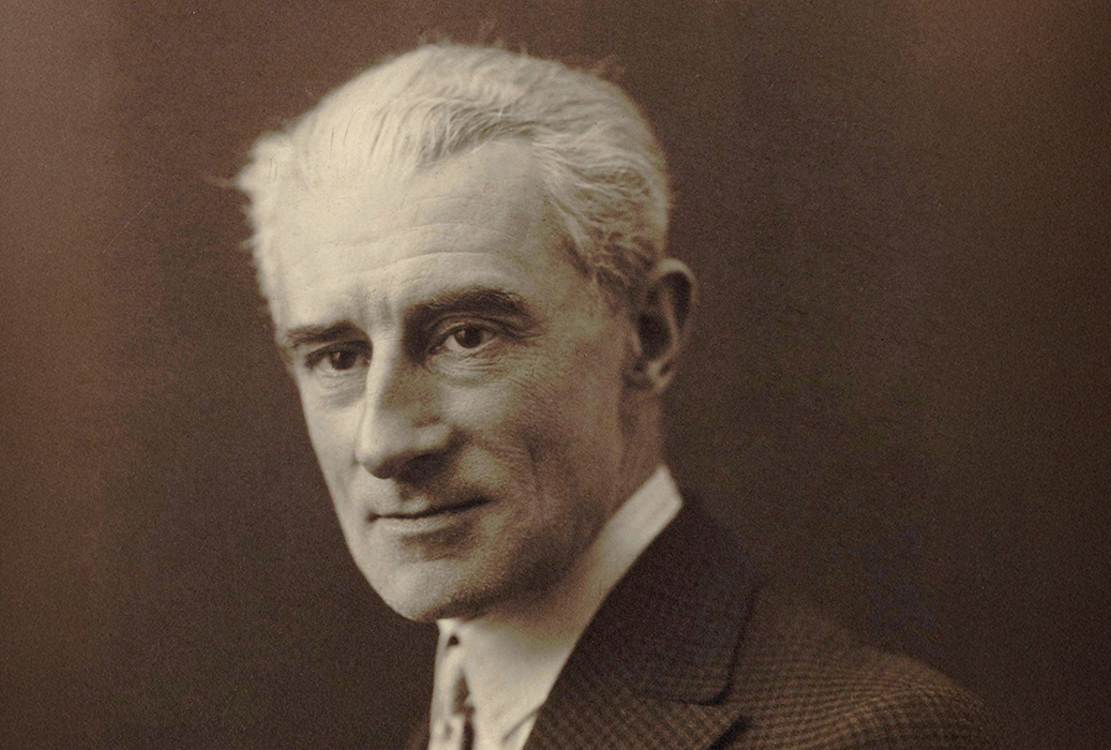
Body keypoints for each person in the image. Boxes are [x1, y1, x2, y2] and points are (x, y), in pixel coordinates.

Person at [235, 43, 1001, 750]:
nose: (383, 442)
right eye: (338, 357)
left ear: (648, 334)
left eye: (467, 337)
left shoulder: (870, 734)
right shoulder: (454, 724)